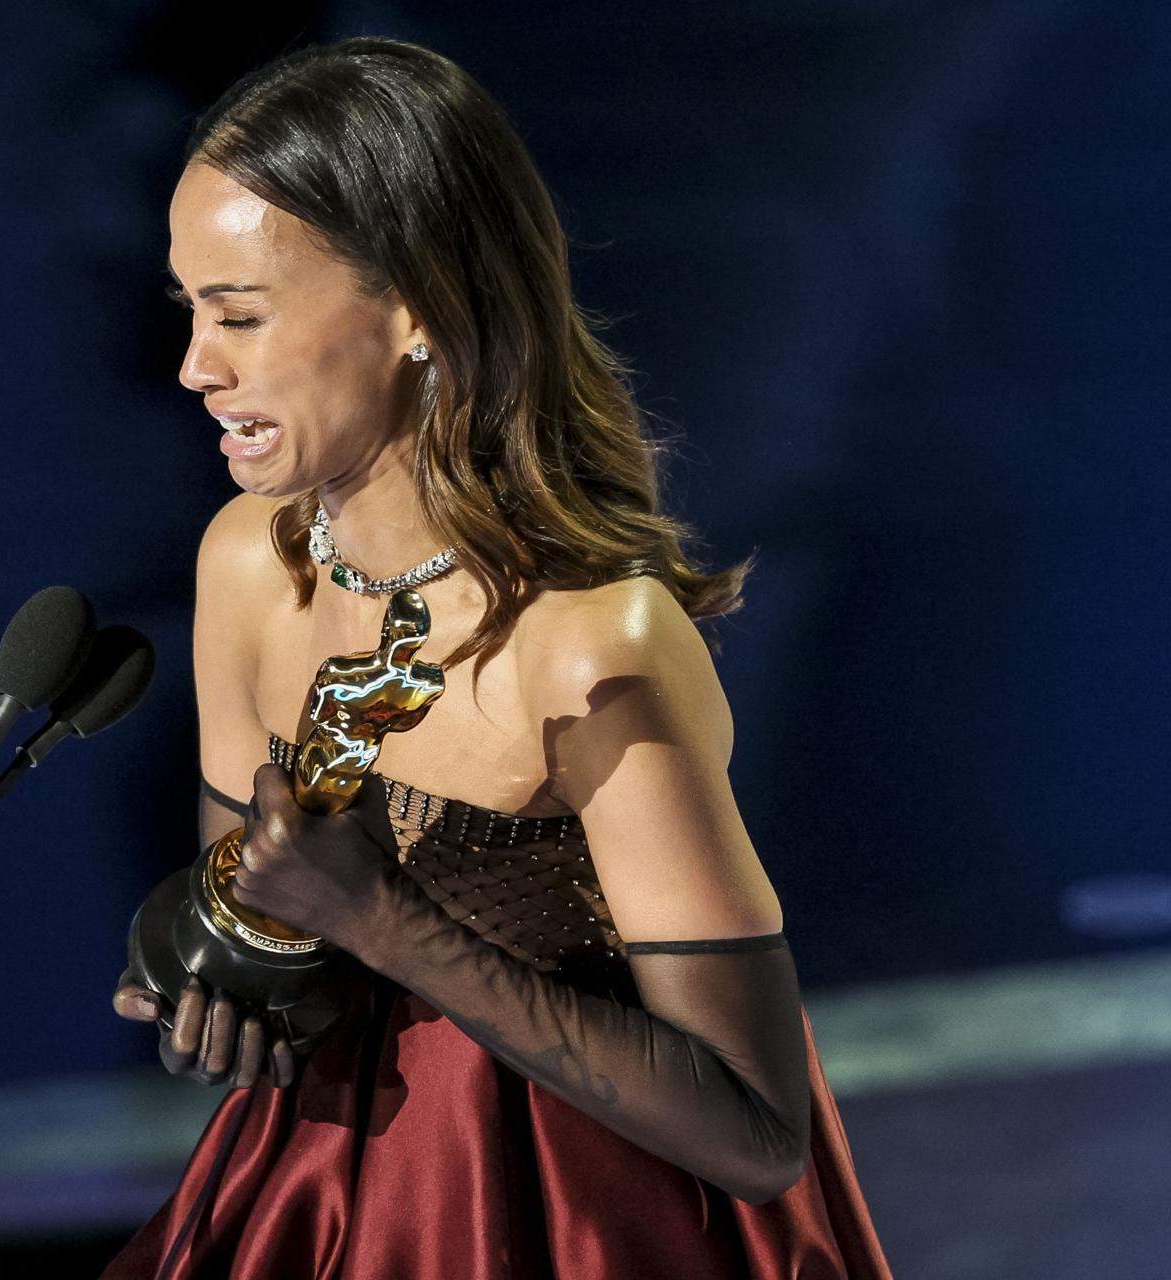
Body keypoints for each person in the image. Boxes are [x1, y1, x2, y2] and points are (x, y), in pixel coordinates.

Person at [105, 36, 892, 1279]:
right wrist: (225, 992)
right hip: (326, 1203)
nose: (199, 366)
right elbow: (273, 929)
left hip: (585, 1224)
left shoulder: (593, 646)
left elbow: (755, 1131)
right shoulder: (246, 563)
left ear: (417, 305)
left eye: (241, 313)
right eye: (191, 308)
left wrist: (384, 919)